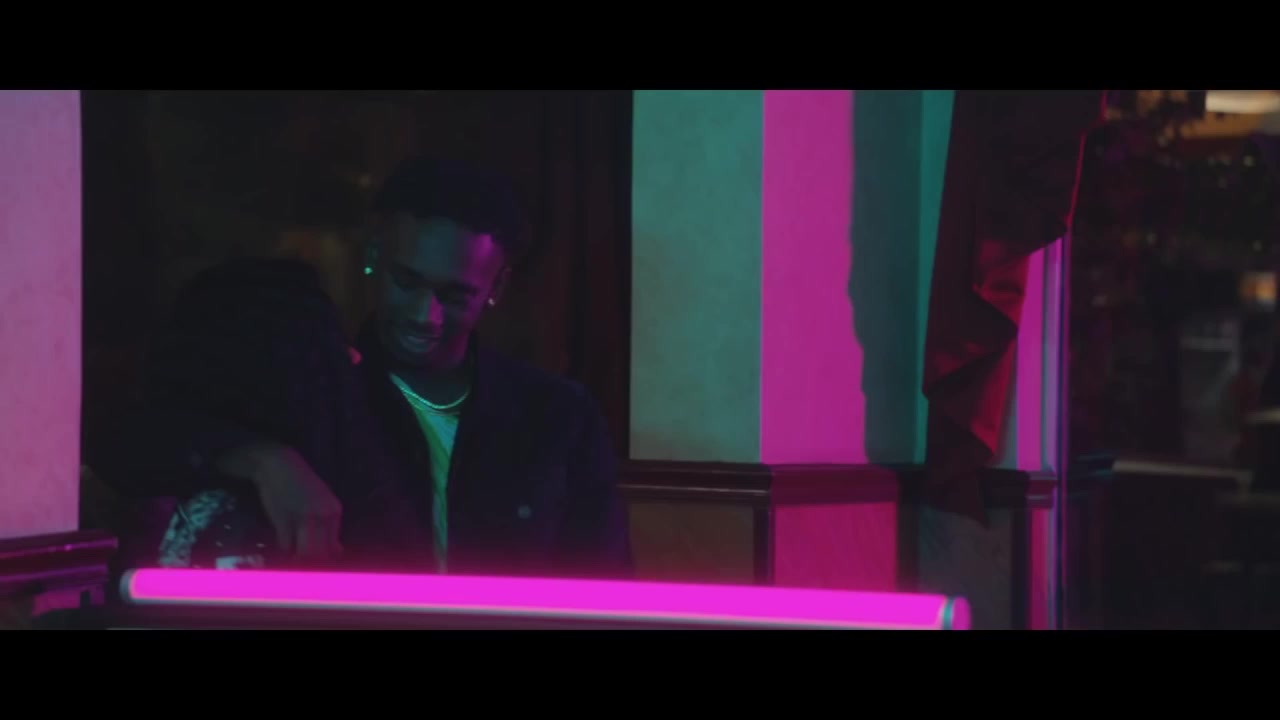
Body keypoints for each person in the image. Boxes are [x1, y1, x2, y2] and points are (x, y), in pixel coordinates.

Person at [92, 156, 632, 579]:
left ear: (497, 286)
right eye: (407, 282)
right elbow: (128, 442)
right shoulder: (316, 384)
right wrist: (260, 458)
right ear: (374, 256)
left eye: (454, 295)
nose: (424, 315)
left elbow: (604, 582)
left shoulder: (556, 416)